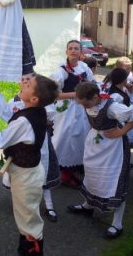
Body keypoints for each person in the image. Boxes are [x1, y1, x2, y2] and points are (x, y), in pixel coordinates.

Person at [0, 74, 59, 256]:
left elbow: (0, 141)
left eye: (29, 83)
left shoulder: (24, 120)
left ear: (34, 98)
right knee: (27, 217)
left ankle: (31, 251)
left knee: (28, 220)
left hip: (26, 177)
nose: (24, 83)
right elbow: (6, 109)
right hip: (29, 173)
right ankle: (28, 247)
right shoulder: (35, 110)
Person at [68, 80, 133, 239]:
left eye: (84, 104)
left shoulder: (112, 107)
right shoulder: (92, 103)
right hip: (95, 145)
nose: (83, 107)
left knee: (114, 182)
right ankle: (88, 206)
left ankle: (117, 223)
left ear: (95, 97)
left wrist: (121, 132)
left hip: (113, 148)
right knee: (93, 176)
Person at [50, 40, 93, 188]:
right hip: (67, 110)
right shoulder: (60, 71)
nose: (73, 51)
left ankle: (76, 165)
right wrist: (76, 94)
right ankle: (62, 171)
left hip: (82, 108)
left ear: (81, 51)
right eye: (71, 48)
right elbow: (54, 94)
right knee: (65, 138)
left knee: (82, 136)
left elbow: (92, 84)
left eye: (76, 48)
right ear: (66, 51)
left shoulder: (84, 67)